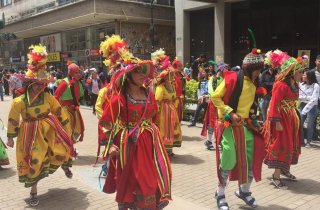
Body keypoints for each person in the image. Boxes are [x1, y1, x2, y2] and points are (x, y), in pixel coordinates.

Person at [99, 35, 172, 210]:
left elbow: (154, 117)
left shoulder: (149, 94)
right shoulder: (119, 99)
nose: (141, 75)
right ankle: (129, 203)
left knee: (153, 174)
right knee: (131, 177)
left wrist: (155, 135)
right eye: (137, 71)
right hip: (128, 144)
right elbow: (105, 122)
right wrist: (109, 145)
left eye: (142, 71)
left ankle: (152, 200)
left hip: (149, 142)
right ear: (128, 75)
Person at [6, 44, 75, 207]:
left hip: (49, 129)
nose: (41, 87)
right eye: (38, 84)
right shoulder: (19, 102)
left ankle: (65, 166)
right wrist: (10, 138)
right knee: (35, 161)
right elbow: (13, 119)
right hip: (30, 133)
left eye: (43, 84)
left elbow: (59, 111)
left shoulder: (48, 97)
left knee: (60, 148)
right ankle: (33, 193)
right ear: (30, 84)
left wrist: (67, 127)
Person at [212, 49, 265, 210]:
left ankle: (244, 191)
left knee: (254, 155)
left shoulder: (254, 82)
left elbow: (251, 107)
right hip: (229, 125)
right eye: (257, 70)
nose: (258, 73)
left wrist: (256, 121)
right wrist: (230, 112)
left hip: (245, 126)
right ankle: (219, 193)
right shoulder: (233, 78)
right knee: (229, 157)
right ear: (249, 68)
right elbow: (215, 97)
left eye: (259, 70)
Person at [264, 52, 304, 189]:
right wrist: (277, 122)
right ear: (292, 72)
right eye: (300, 72)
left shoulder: (295, 85)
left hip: (292, 119)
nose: (302, 75)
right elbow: (274, 103)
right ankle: (276, 176)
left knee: (292, 144)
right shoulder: (280, 85)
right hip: (282, 120)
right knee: (282, 145)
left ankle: (285, 170)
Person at [155, 57, 182, 157]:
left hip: (171, 110)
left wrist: (174, 104)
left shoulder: (172, 86)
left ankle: (169, 150)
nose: (170, 77)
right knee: (164, 130)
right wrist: (157, 113)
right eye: (168, 76)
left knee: (171, 129)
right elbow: (157, 100)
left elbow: (174, 97)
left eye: (171, 75)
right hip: (163, 111)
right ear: (164, 77)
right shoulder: (160, 87)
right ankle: (163, 151)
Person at [54, 61, 85, 146]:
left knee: (78, 129)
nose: (79, 74)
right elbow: (55, 96)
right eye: (76, 72)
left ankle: (70, 146)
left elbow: (80, 96)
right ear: (71, 73)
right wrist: (57, 109)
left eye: (79, 72)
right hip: (65, 109)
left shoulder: (79, 83)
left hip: (74, 108)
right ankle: (68, 149)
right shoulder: (64, 83)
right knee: (67, 129)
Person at [201, 62, 228, 150]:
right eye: (224, 70)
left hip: (221, 103)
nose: (225, 71)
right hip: (214, 103)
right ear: (220, 70)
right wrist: (216, 98)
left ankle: (219, 139)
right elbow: (211, 92)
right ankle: (209, 140)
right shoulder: (212, 79)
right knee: (212, 122)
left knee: (221, 122)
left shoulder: (225, 79)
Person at [299, 70, 320, 147]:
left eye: (304, 75)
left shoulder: (316, 86)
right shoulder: (301, 84)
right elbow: (299, 96)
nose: (302, 76)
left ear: (309, 76)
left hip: (312, 106)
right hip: (302, 105)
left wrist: (305, 99)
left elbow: (314, 99)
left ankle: (308, 142)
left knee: (310, 125)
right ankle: (301, 141)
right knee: (299, 124)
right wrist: (308, 98)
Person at [172, 57, 188, 122]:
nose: (181, 67)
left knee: (179, 115)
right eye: (179, 66)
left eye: (181, 66)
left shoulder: (180, 74)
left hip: (179, 96)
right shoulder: (172, 75)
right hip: (173, 98)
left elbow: (186, 80)